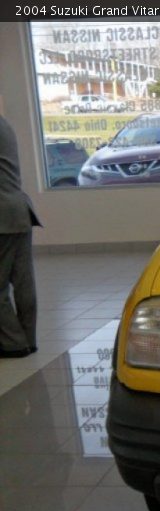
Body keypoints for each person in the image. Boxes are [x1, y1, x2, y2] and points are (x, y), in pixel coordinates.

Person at [0, 114, 41, 358]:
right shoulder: (5, 122)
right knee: (23, 281)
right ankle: (28, 339)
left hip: (3, 217)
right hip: (18, 211)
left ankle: (13, 342)